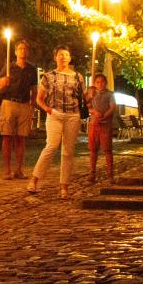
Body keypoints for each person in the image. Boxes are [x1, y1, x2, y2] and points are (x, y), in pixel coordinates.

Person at [28, 45, 85, 200]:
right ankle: (34, 180)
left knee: (68, 152)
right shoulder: (48, 76)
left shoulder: (78, 77)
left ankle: (64, 187)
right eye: (60, 54)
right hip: (55, 114)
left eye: (66, 54)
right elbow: (39, 99)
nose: (63, 57)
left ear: (70, 57)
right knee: (51, 146)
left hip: (73, 115)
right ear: (55, 57)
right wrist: (48, 109)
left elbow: (83, 97)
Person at [0, 40, 38, 180]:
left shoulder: (32, 69)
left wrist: (32, 106)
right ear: (15, 51)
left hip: (24, 104)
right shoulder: (8, 67)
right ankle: (7, 170)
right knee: (7, 137)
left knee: (21, 138)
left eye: (25, 48)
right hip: (9, 103)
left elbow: (34, 89)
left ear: (28, 51)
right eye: (20, 48)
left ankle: (19, 169)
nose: (23, 51)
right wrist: (2, 85)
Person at [86, 73, 116, 184]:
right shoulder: (91, 93)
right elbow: (88, 106)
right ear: (94, 83)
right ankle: (92, 172)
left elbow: (113, 107)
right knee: (93, 149)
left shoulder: (110, 95)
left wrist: (104, 115)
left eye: (102, 81)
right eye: (97, 82)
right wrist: (93, 111)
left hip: (105, 124)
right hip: (94, 124)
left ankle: (110, 174)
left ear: (106, 83)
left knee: (107, 149)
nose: (100, 84)